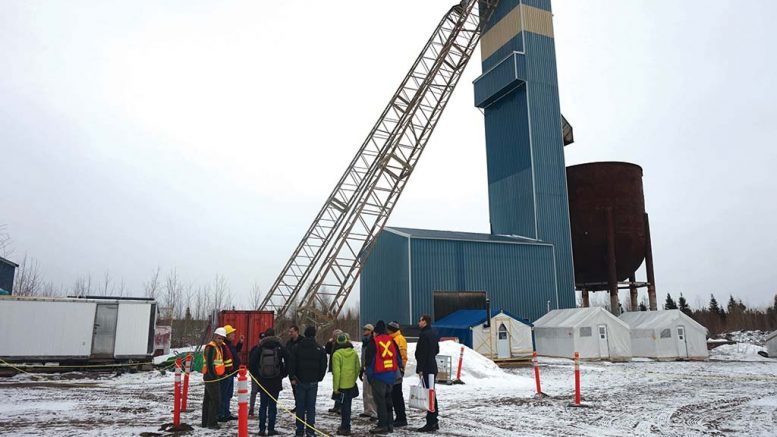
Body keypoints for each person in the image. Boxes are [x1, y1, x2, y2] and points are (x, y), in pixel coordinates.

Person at [364, 320, 403, 435]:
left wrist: (370, 377)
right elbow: (398, 358)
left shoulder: (374, 342)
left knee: (380, 402)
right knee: (388, 401)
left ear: (376, 332)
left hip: (378, 376)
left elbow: (369, 362)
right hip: (390, 375)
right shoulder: (391, 340)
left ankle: (382, 425)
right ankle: (390, 424)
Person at [288, 326, 327, 437]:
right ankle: (310, 431)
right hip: (313, 382)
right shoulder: (319, 348)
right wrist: (319, 378)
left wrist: (293, 377)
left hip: (300, 381)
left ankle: (299, 431)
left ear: (304, 334)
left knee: (300, 407)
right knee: (311, 407)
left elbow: (292, 364)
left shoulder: (297, 347)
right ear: (314, 334)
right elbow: (323, 365)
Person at [249, 328, 287, 436]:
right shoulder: (279, 346)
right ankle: (271, 429)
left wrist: (257, 375)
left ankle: (261, 429)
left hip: (263, 380)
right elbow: (289, 358)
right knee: (272, 406)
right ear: (274, 335)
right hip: (275, 380)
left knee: (263, 406)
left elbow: (251, 363)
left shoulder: (260, 347)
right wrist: (283, 373)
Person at [331, 333, 360, 436]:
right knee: (348, 406)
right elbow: (357, 368)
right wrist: (353, 379)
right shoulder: (353, 353)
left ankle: (345, 427)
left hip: (341, 386)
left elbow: (336, 373)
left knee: (344, 408)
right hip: (351, 384)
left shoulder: (336, 354)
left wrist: (335, 388)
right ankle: (346, 425)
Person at [415, 314, 440, 432]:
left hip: (426, 368)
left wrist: (420, 368)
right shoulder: (434, 333)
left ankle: (430, 422)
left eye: (420, 321)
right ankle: (434, 420)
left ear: (425, 322)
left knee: (428, 395)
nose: (418, 323)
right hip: (432, 366)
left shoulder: (424, 335)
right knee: (432, 393)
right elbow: (437, 350)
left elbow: (422, 353)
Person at [202, 327, 227, 430]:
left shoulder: (217, 347)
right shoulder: (211, 347)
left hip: (214, 376)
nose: (221, 340)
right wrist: (214, 377)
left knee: (208, 399)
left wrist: (221, 374)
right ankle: (212, 423)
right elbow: (209, 364)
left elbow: (217, 363)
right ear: (215, 337)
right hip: (211, 377)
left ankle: (206, 422)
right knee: (215, 399)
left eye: (222, 339)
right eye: (219, 338)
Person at [220, 324, 244, 422]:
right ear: (227, 335)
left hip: (231, 374)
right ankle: (221, 414)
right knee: (224, 394)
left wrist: (240, 343)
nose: (234, 335)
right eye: (232, 333)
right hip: (226, 374)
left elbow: (235, 351)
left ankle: (226, 413)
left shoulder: (229, 345)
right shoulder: (223, 346)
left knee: (228, 395)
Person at [386, 321, 408, 427]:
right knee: (394, 395)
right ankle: (399, 417)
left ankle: (401, 418)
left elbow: (403, 356)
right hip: (393, 370)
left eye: (388, 328)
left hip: (397, 371)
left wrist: (402, 369)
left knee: (397, 395)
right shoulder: (392, 338)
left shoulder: (399, 339)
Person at [359, 323, 377, 420]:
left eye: (366, 330)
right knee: (365, 391)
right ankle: (367, 410)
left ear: (371, 331)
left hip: (371, 369)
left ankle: (373, 411)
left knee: (371, 392)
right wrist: (362, 368)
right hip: (365, 368)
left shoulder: (372, 341)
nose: (364, 331)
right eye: (364, 329)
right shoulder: (365, 342)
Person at [325, 329, 344, 414]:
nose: (333, 337)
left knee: (341, 388)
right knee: (336, 387)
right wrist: (329, 343)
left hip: (341, 369)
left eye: (335, 336)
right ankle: (336, 405)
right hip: (335, 369)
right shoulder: (334, 344)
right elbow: (328, 351)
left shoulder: (342, 345)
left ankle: (340, 406)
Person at [248, 331, 267, 417]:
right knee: (254, 392)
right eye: (261, 339)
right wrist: (252, 373)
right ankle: (251, 409)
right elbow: (250, 362)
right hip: (256, 374)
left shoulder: (266, 349)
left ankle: (263, 410)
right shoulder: (255, 349)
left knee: (264, 393)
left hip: (264, 375)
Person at [286, 325, 302, 401]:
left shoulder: (302, 341)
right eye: (289, 332)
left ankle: (303, 406)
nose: (290, 333)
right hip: (291, 370)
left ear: (297, 332)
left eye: (291, 332)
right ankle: (297, 404)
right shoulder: (289, 343)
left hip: (301, 369)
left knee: (301, 390)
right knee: (294, 389)